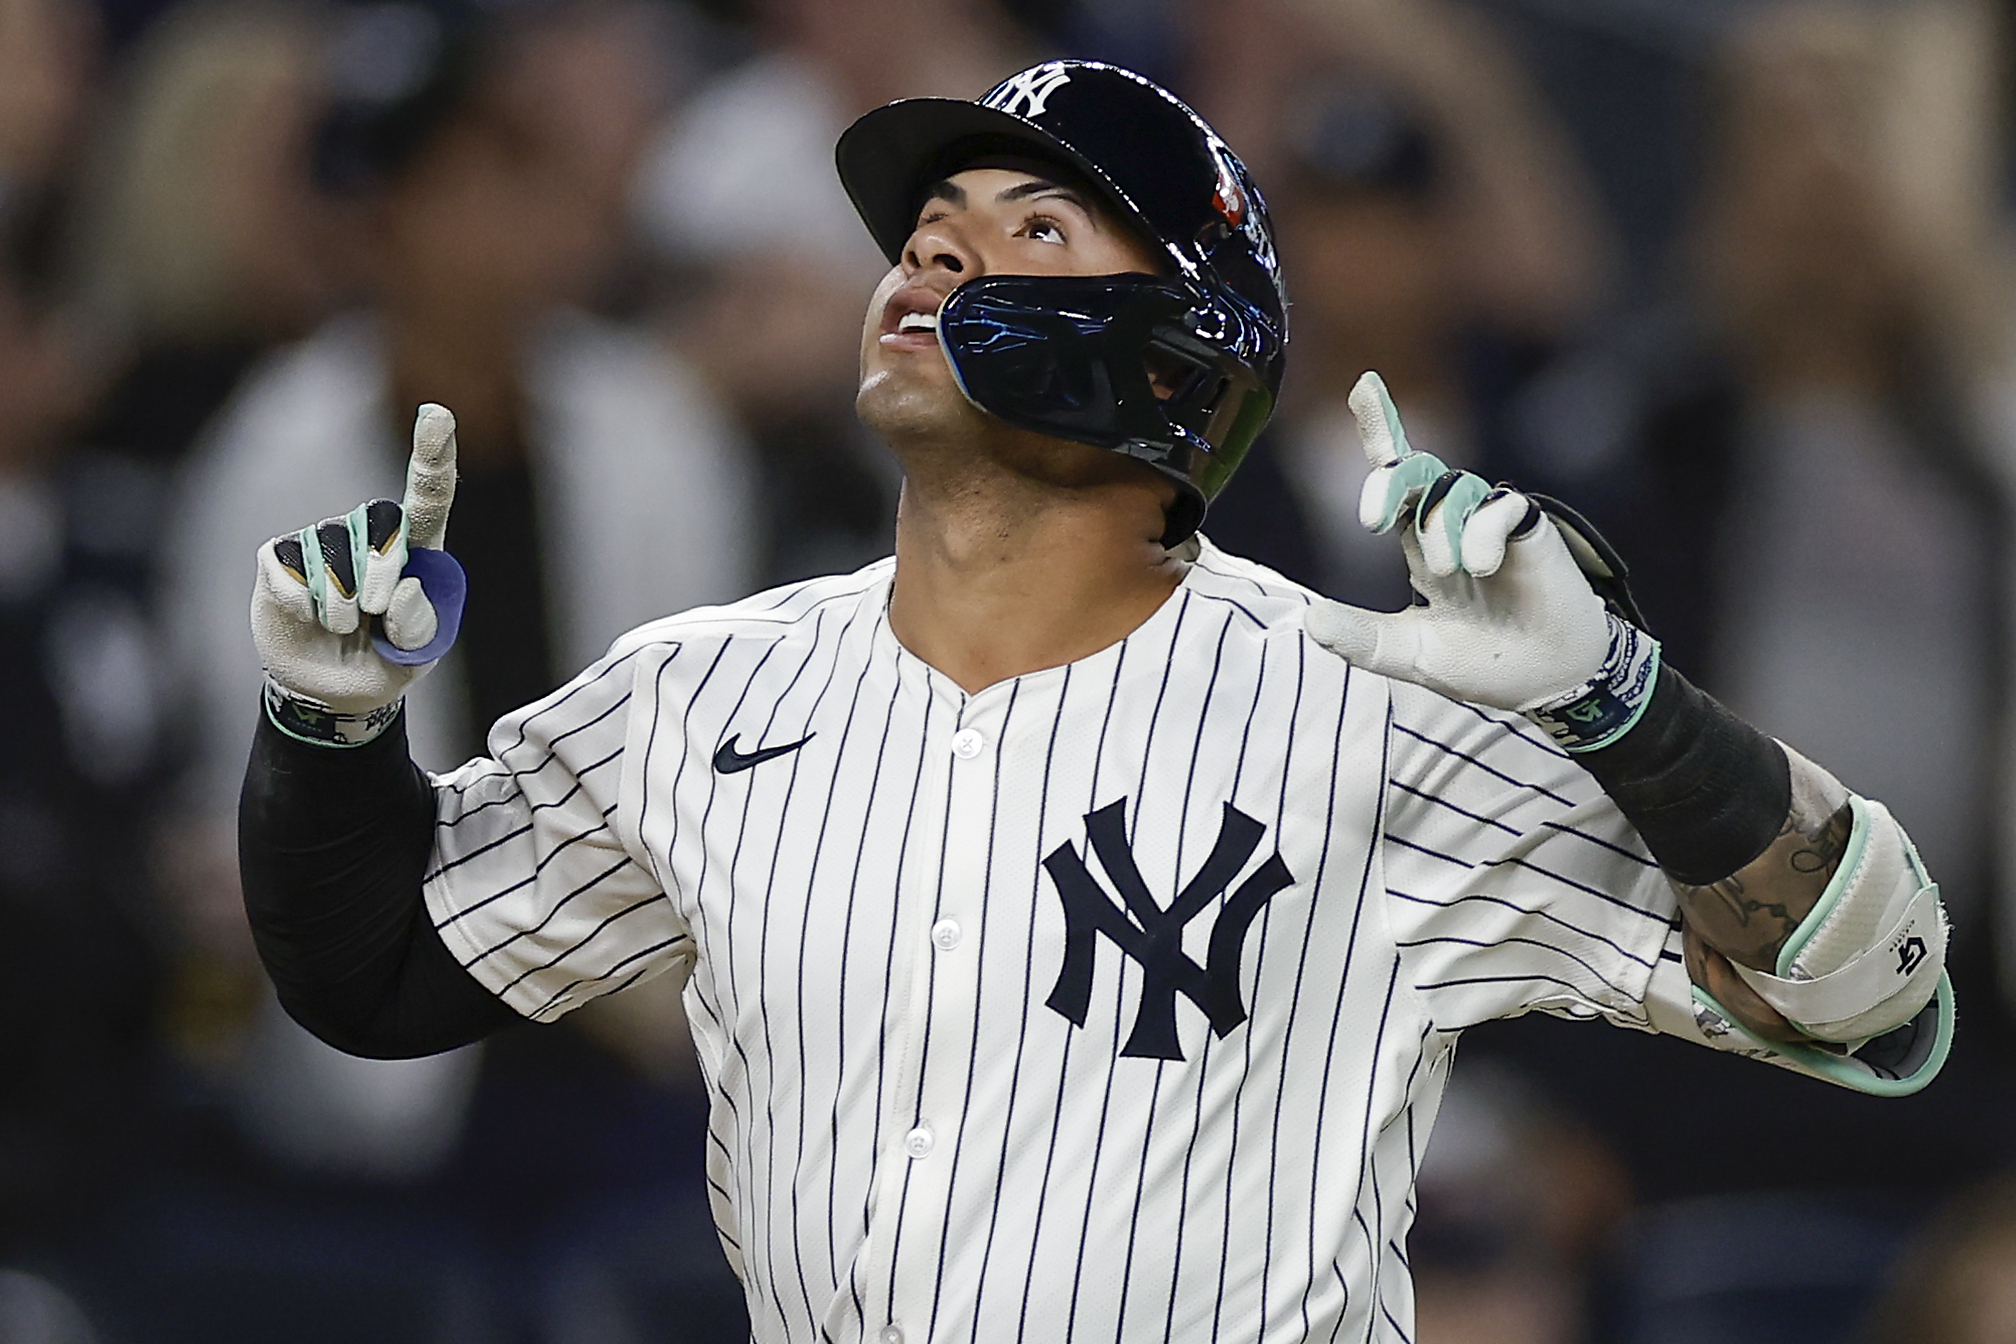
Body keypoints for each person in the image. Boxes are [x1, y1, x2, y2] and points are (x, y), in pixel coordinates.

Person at [235, 60, 1953, 1341]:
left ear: (1170, 356)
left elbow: (1871, 989)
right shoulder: (701, 692)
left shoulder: (1360, 714)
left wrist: (1626, 706)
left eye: (1030, 231)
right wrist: (330, 734)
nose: (932, 261)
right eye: (924, 235)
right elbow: (381, 972)